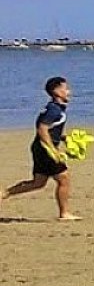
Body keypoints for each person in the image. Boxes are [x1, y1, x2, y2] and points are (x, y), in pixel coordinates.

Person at [4, 76, 77, 220]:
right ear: (56, 91)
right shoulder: (54, 110)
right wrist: (53, 150)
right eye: (66, 88)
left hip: (39, 148)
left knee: (38, 183)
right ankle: (64, 213)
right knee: (64, 178)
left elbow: (50, 129)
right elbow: (42, 129)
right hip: (45, 149)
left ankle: (4, 193)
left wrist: (64, 138)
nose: (69, 92)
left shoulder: (55, 108)